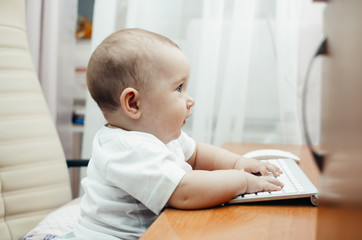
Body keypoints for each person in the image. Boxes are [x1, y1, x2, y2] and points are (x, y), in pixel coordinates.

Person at [74, 28, 284, 240]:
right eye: (179, 88)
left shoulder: (159, 134)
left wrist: (237, 163)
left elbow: (198, 154)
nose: (190, 99)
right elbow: (184, 192)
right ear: (133, 103)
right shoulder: (128, 149)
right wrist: (243, 182)